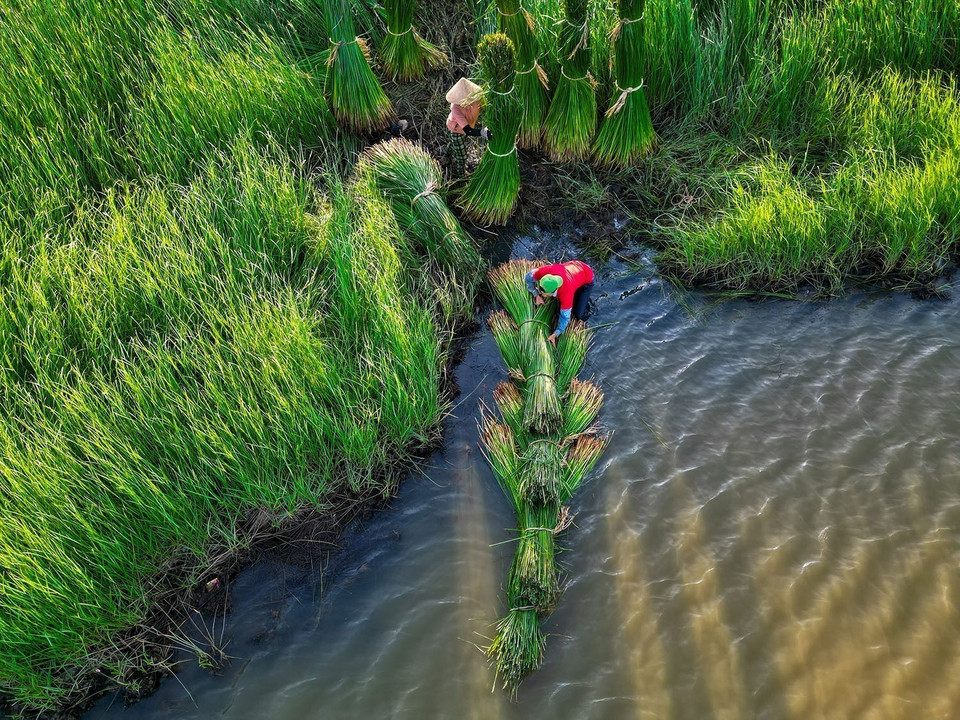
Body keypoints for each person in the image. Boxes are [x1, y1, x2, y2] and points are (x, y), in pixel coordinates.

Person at [525, 260, 595, 345]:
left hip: (587, 275)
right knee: (574, 287)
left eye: (545, 294)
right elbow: (528, 278)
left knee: (578, 313)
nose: (543, 295)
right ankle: (576, 285)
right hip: (574, 265)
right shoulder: (544, 272)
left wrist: (556, 333)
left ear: (554, 291)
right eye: (541, 291)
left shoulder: (566, 294)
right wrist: (536, 294)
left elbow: (565, 317)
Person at [445, 77, 490, 178]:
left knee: (456, 146)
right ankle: (460, 175)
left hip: (469, 125)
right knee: (462, 156)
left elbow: (486, 107)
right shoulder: (455, 107)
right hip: (457, 130)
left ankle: (447, 153)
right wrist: (483, 132)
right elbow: (468, 130)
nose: (468, 102)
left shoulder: (477, 98)